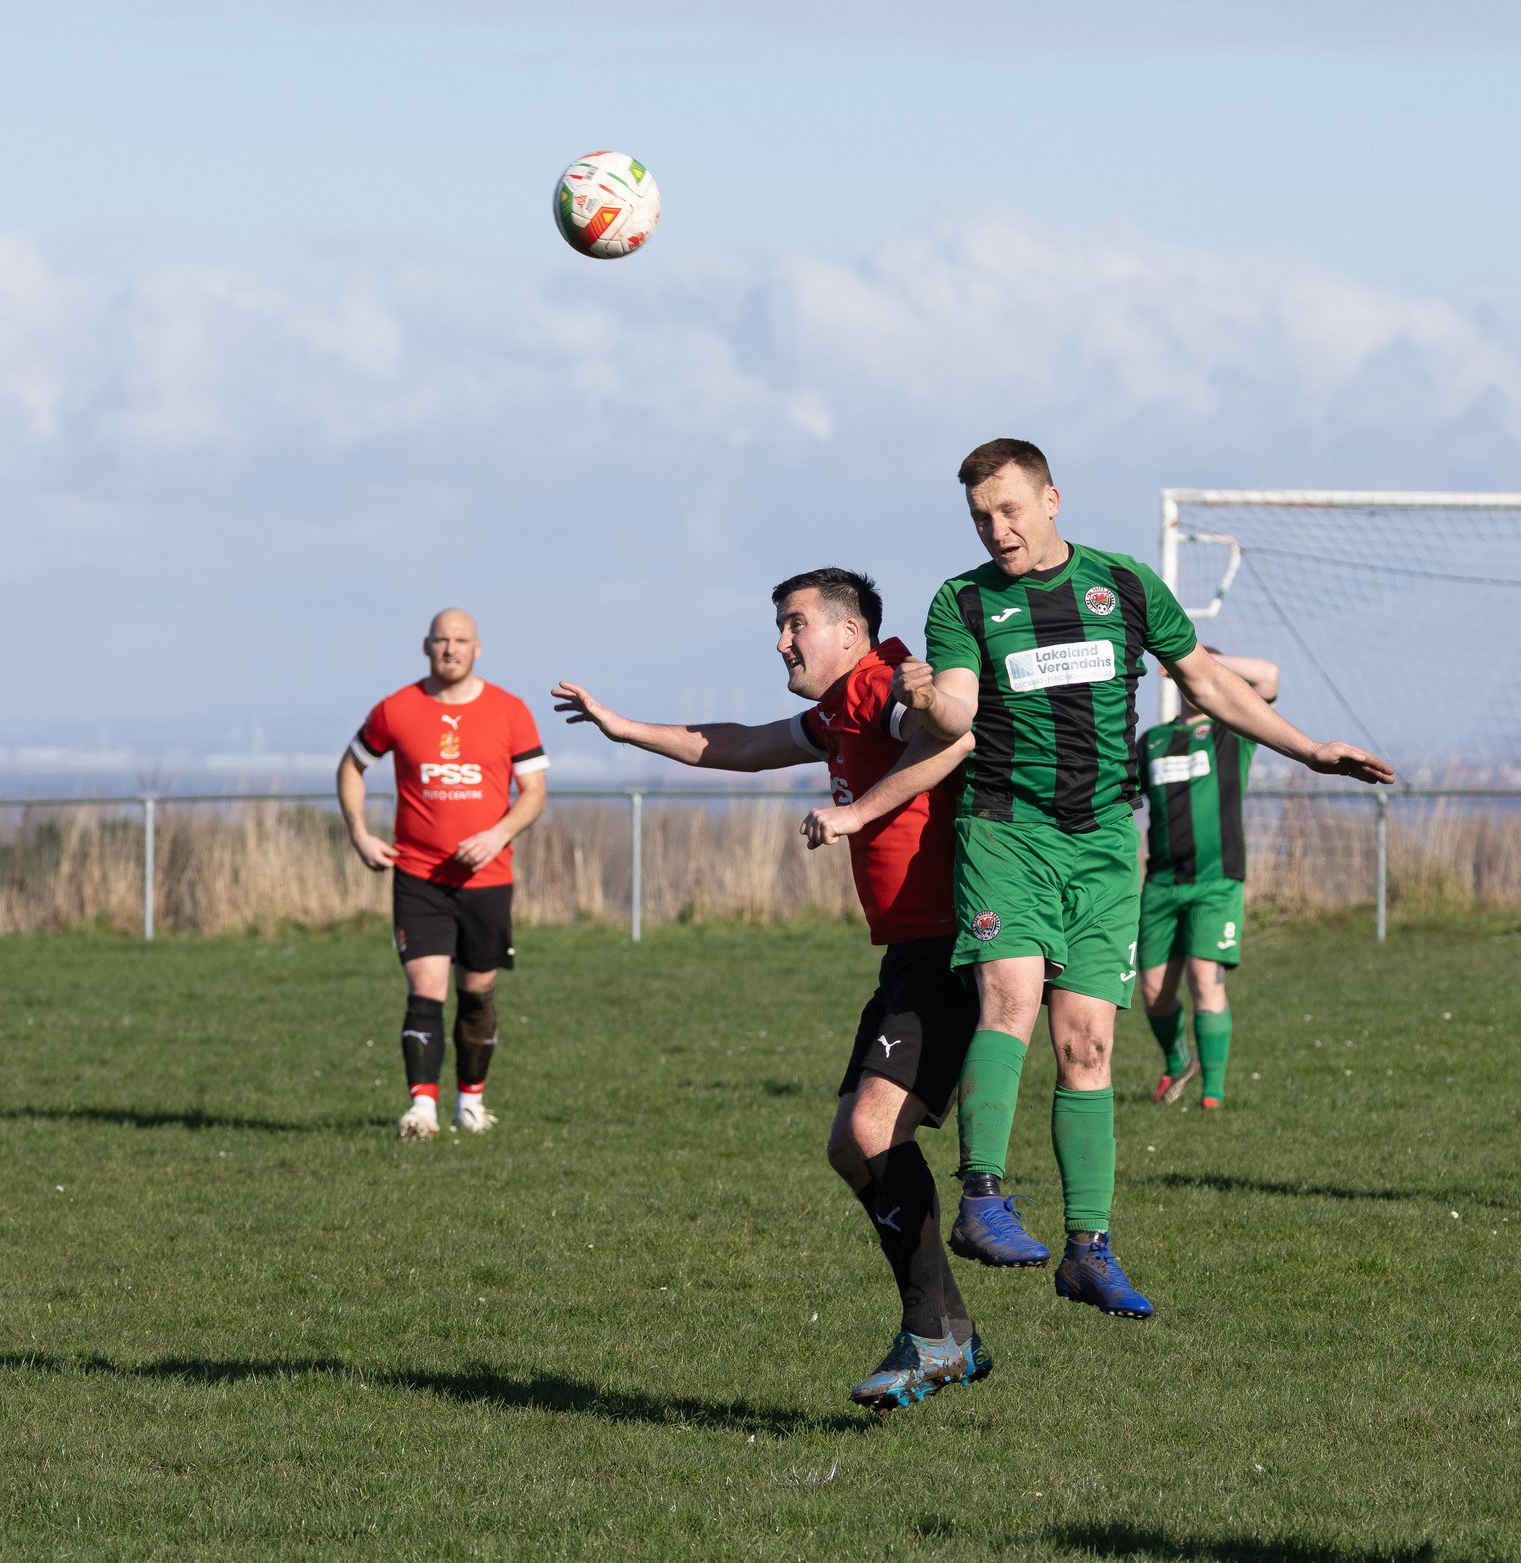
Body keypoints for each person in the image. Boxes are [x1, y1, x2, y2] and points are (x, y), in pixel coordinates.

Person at [898, 438, 1392, 1320]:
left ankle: (1089, 1248)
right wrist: (926, 696)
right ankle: (982, 1197)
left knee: (1087, 1046)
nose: (997, 529)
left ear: (1052, 499)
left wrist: (1310, 748)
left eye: (1010, 508)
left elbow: (1205, 679)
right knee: (1008, 998)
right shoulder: (963, 600)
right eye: (981, 516)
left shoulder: (1123, 586)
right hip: (1006, 832)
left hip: (1103, 843)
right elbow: (960, 708)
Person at [550, 568, 989, 1411]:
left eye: (796, 624)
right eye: (779, 626)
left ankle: (935, 1333)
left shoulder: (876, 686)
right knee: (848, 1147)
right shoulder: (841, 708)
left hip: (952, 945)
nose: (781, 641)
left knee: (868, 1130)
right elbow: (741, 746)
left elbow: (947, 738)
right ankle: (950, 1334)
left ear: (851, 631)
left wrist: (862, 807)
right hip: (909, 951)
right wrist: (624, 728)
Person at [337, 609, 548, 1139]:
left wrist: (498, 834)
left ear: (478, 648)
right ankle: (422, 1109)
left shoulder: (510, 711)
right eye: (441, 640)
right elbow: (351, 766)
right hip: (418, 876)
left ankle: (470, 1103)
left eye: (460, 641)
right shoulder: (396, 709)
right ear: (425, 646)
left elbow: (535, 794)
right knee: (425, 988)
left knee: (477, 992)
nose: (450, 649)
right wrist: (360, 832)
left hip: (487, 880)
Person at [1135, 652, 1280, 1110]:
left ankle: (1212, 1094)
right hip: (1160, 883)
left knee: (1203, 978)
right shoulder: (1152, 741)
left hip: (1216, 882)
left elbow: (1269, 675)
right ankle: (1179, 1062)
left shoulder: (1231, 731)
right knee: (1155, 994)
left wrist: (1197, 656)